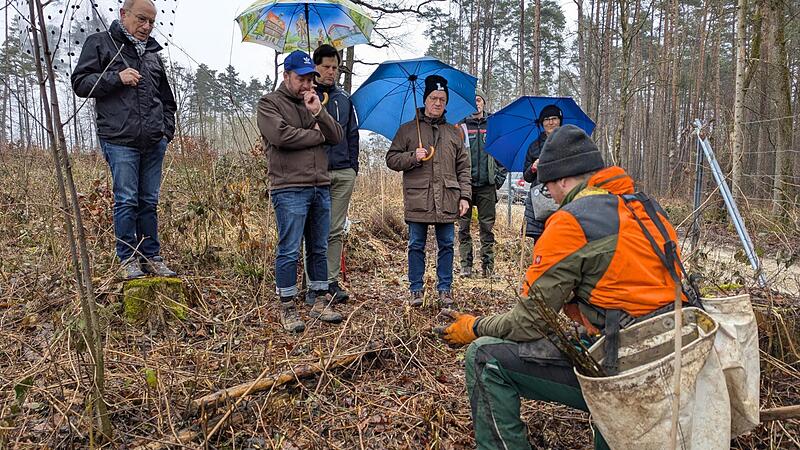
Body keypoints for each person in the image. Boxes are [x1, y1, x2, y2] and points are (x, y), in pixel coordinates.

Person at [441, 125, 693, 450]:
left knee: (484, 357)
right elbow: (632, 288)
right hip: (681, 357)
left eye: (548, 187)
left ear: (563, 180)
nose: (551, 196)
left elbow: (529, 323)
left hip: (626, 369)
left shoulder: (572, 221)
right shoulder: (646, 207)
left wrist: (474, 326)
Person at [72, 0, 177, 280]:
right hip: (119, 139)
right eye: (141, 19)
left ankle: (152, 257)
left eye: (151, 22)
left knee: (148, 201)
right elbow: (80, 83)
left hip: (154, 141)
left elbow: (167, 100)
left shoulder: (152, 54)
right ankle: (128, 258)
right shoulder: (101, 43)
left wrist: (165, 133)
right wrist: (116, 77)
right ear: (123, 14)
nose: (147, 26)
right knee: (127, 200)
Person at [257, 50, 344, 333]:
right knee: (289, 249)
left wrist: (318, 112)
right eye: (301, 79)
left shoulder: (314, 102)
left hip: (320, 185)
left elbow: (336, 136)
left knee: (318, 247)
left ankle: (319, 300)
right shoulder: (269, 103)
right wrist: (317, 135)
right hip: (290, 187)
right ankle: (287, 306)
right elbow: (281, 136)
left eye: (310, 79)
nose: (307, 85)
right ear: (286, 76)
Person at [386, 75, 471, 308]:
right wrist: (413, 156)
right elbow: (391, 159)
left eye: (442, 99)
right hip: (419, 198)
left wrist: (465, 196)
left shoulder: (454, 133)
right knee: (416, 244)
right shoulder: (407, 130)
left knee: (447, 245)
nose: (437, 103)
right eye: (433, 98)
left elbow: (464, 167)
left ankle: (445, 289)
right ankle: (416, 289)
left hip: (447, 197)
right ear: (425, 99)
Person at [313, 44, 359, 303]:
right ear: (315, 67)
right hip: (315, 173)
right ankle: (314, 283)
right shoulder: (306, 96)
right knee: (314, 230)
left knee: (335, 230)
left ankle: (330, 281)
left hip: (343, 172)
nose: (331, 72)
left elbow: (353, 134)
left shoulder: (344, 99)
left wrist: (353, 167)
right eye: (326, 67)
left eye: (335, 68)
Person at [457, 88, 507, 279]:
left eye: (479, 100)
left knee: (487, 228)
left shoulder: (494, 125)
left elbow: (503, 154)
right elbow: (454, 155)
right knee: (463, 228)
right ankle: (466, 266)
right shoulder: (460, 125)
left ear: (484, 102)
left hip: (487, 186)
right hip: (465, 187)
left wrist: (498, 180)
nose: (476, 103)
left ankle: (488, 267)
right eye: (473, 100)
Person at [522, 104, 562, 242]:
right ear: (542, 123)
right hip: (539, 200)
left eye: (554, 118)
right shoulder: (534, 146)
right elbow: (527, 177)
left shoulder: (569, 143)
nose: (551, 122)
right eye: (546, 119)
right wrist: (533, 167)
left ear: (560, 121)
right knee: (540, 241)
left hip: (562, 197)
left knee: (561, 239)